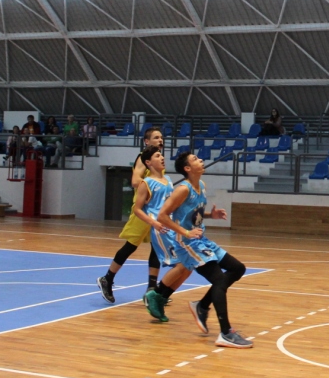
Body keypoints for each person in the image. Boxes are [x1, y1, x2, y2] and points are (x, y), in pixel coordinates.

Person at [146, 151, 252, 348]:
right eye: (195, 159)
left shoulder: (201, 185)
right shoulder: (182, 189)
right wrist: (185, 232)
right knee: (219, 280)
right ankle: (225, 332)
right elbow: (162, 216)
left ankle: (202, 306)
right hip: (187, 244)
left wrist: (210, 215)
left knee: (238, 268)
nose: (201, 160)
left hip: (201, 240)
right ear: (187, 168)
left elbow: (192, 213)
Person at [97, 127, 166, 304]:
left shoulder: (158, 160)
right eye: (156, 137)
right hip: (143, 210)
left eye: (161, 137)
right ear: (147, 141)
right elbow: (135, 181)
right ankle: (107, 279)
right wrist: (150, 186)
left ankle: (152, 289)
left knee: (157, 248)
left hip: (155, 211)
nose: (160, 140)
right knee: (130, 246)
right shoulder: (143, 158)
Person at [131, 146, 188, 321]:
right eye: (157, 155)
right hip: (161, 229)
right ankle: (154, 294)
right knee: (182, 264)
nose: (162, 157)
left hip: (172, 226)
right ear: (148, 162)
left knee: (188, 265)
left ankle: (160, 298)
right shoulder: (146, 183)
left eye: (161, 155)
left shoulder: (168, 180)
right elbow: (137, 209)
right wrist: (154, 223)